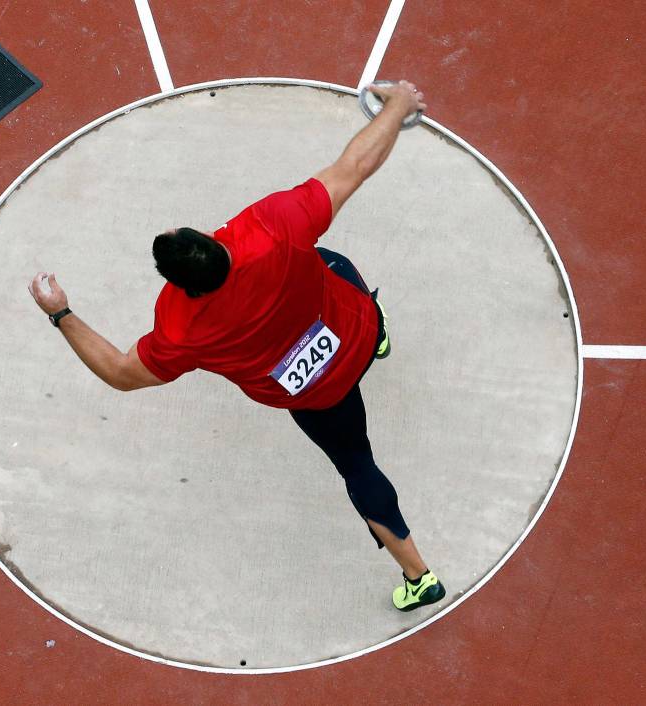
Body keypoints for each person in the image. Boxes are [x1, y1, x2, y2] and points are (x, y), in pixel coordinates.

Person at [28, 80, 444, 612]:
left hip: (316, 394)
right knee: (331, 262)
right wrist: (401, 107)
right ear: (211, 238)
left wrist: (60, 312)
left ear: (179, 283)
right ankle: (379, 334)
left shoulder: (180, 328)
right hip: (355, 333)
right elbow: (354, 166)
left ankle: (420, 576)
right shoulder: (271, 228)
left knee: (357, 466)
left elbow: (119, 371)